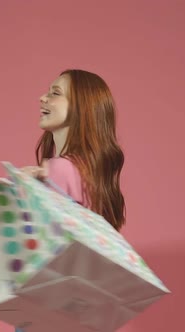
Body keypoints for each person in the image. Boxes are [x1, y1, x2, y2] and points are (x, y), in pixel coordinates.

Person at [23, 68, 126, 231]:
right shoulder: (90, 171)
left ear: (80, 107)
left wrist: (21, 191)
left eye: (55, 93)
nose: (42, 98)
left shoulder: (60, 169)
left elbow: (41, 236)